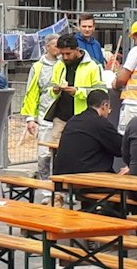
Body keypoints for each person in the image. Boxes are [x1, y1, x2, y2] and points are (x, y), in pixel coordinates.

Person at [20, 32, 102, 179]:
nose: (64, 57)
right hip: (60, 117)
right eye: (62, 54)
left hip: (81, 118)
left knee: (79, 153)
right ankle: (55, 192)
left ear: (77, 50)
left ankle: (76, 189)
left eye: (68, 54)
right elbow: (47, 91)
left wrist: (78, 91)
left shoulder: (92, 66)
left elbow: (100, 92)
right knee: (53, 153)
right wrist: (55, 90)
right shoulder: (59, 64)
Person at [52, 88, 123, 176]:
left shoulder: (73, 120)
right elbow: (121, 148)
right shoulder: (101, 123)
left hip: (62, 176)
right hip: (86, 180)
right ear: (104, 105)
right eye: (109, 108)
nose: (109, 112)